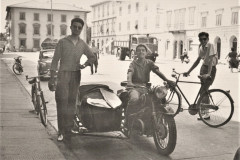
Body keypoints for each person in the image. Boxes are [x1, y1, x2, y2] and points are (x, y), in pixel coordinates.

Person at [48, 18, 96, 142]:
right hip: (63, 75)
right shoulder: (63, 42)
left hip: (76, 75)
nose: (77, 29)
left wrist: (85, 65)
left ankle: (68, 129)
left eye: (79, 27)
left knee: (72, 104)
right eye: (74, 26)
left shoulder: (82, 44)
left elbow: (92, 56)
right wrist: (52, 78)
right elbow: (55, 61)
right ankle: (61, 131)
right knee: (62, 103)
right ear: (70, 27)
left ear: (81, 29)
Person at [126, 44, 175, 127]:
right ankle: (128, 119)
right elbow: (130, 72)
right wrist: (129, 82)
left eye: (143, 50)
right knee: (134, 98)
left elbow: (157, 71)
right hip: (135, 87)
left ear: (146, 52)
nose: (141, 52)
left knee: (159, 99)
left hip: (145, 87)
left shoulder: (149, 63)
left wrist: (166, 80)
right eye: (139, 50)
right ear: (136, 53)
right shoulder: (133, 64)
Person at [183, 32, 218, 120]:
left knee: (204, 91)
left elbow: (210, 60)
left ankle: (206, 113)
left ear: (208, 39)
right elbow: (198, 60)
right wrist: (188, 71)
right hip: (203, 68)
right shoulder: (201, 47)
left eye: (204, 39)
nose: (203, 41)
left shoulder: (210, 45)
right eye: (201, 39)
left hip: (211, 69)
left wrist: (209, 74)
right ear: (199, 40)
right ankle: (204, 112)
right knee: (203, 92)